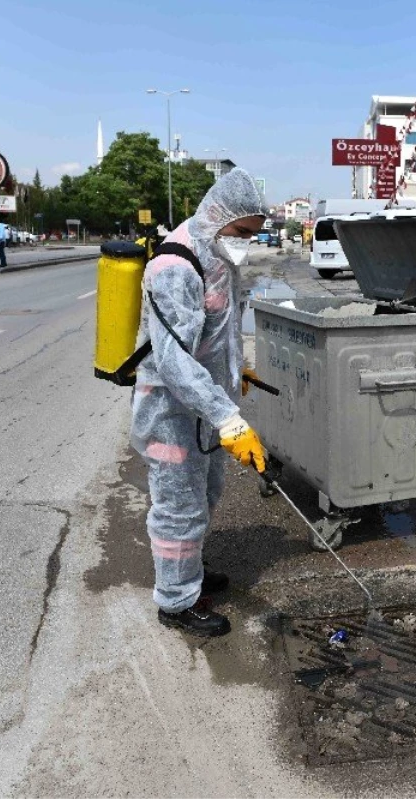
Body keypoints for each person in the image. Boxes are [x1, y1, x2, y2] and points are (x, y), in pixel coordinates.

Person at [130, 167, 270, 638]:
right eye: (243, 232)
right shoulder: (175, 266)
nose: (246, 242)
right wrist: (228, 417)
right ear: (218, 215)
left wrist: (237, 369)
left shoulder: (216, 253)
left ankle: (190, 570)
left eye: (254, 234)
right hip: (171, 411)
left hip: (204, 404)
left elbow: (219, 327)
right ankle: (175, 602)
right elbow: (172, 362)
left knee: (205, 496)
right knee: (179, 507)